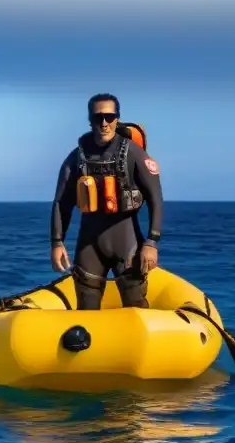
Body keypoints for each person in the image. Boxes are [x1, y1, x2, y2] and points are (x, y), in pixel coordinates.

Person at [49, 93, 164, 310]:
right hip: (89, 246)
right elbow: (61, 203)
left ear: (117, 119)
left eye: (109, 117)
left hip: (127, 242)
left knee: (136, 306)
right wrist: (57, 242)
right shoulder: (76, 158)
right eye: (97, 117)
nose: (104, 123)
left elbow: (155, 198)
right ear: (90, 120)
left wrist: (151, 243)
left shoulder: (134, 154)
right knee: (86, 310)